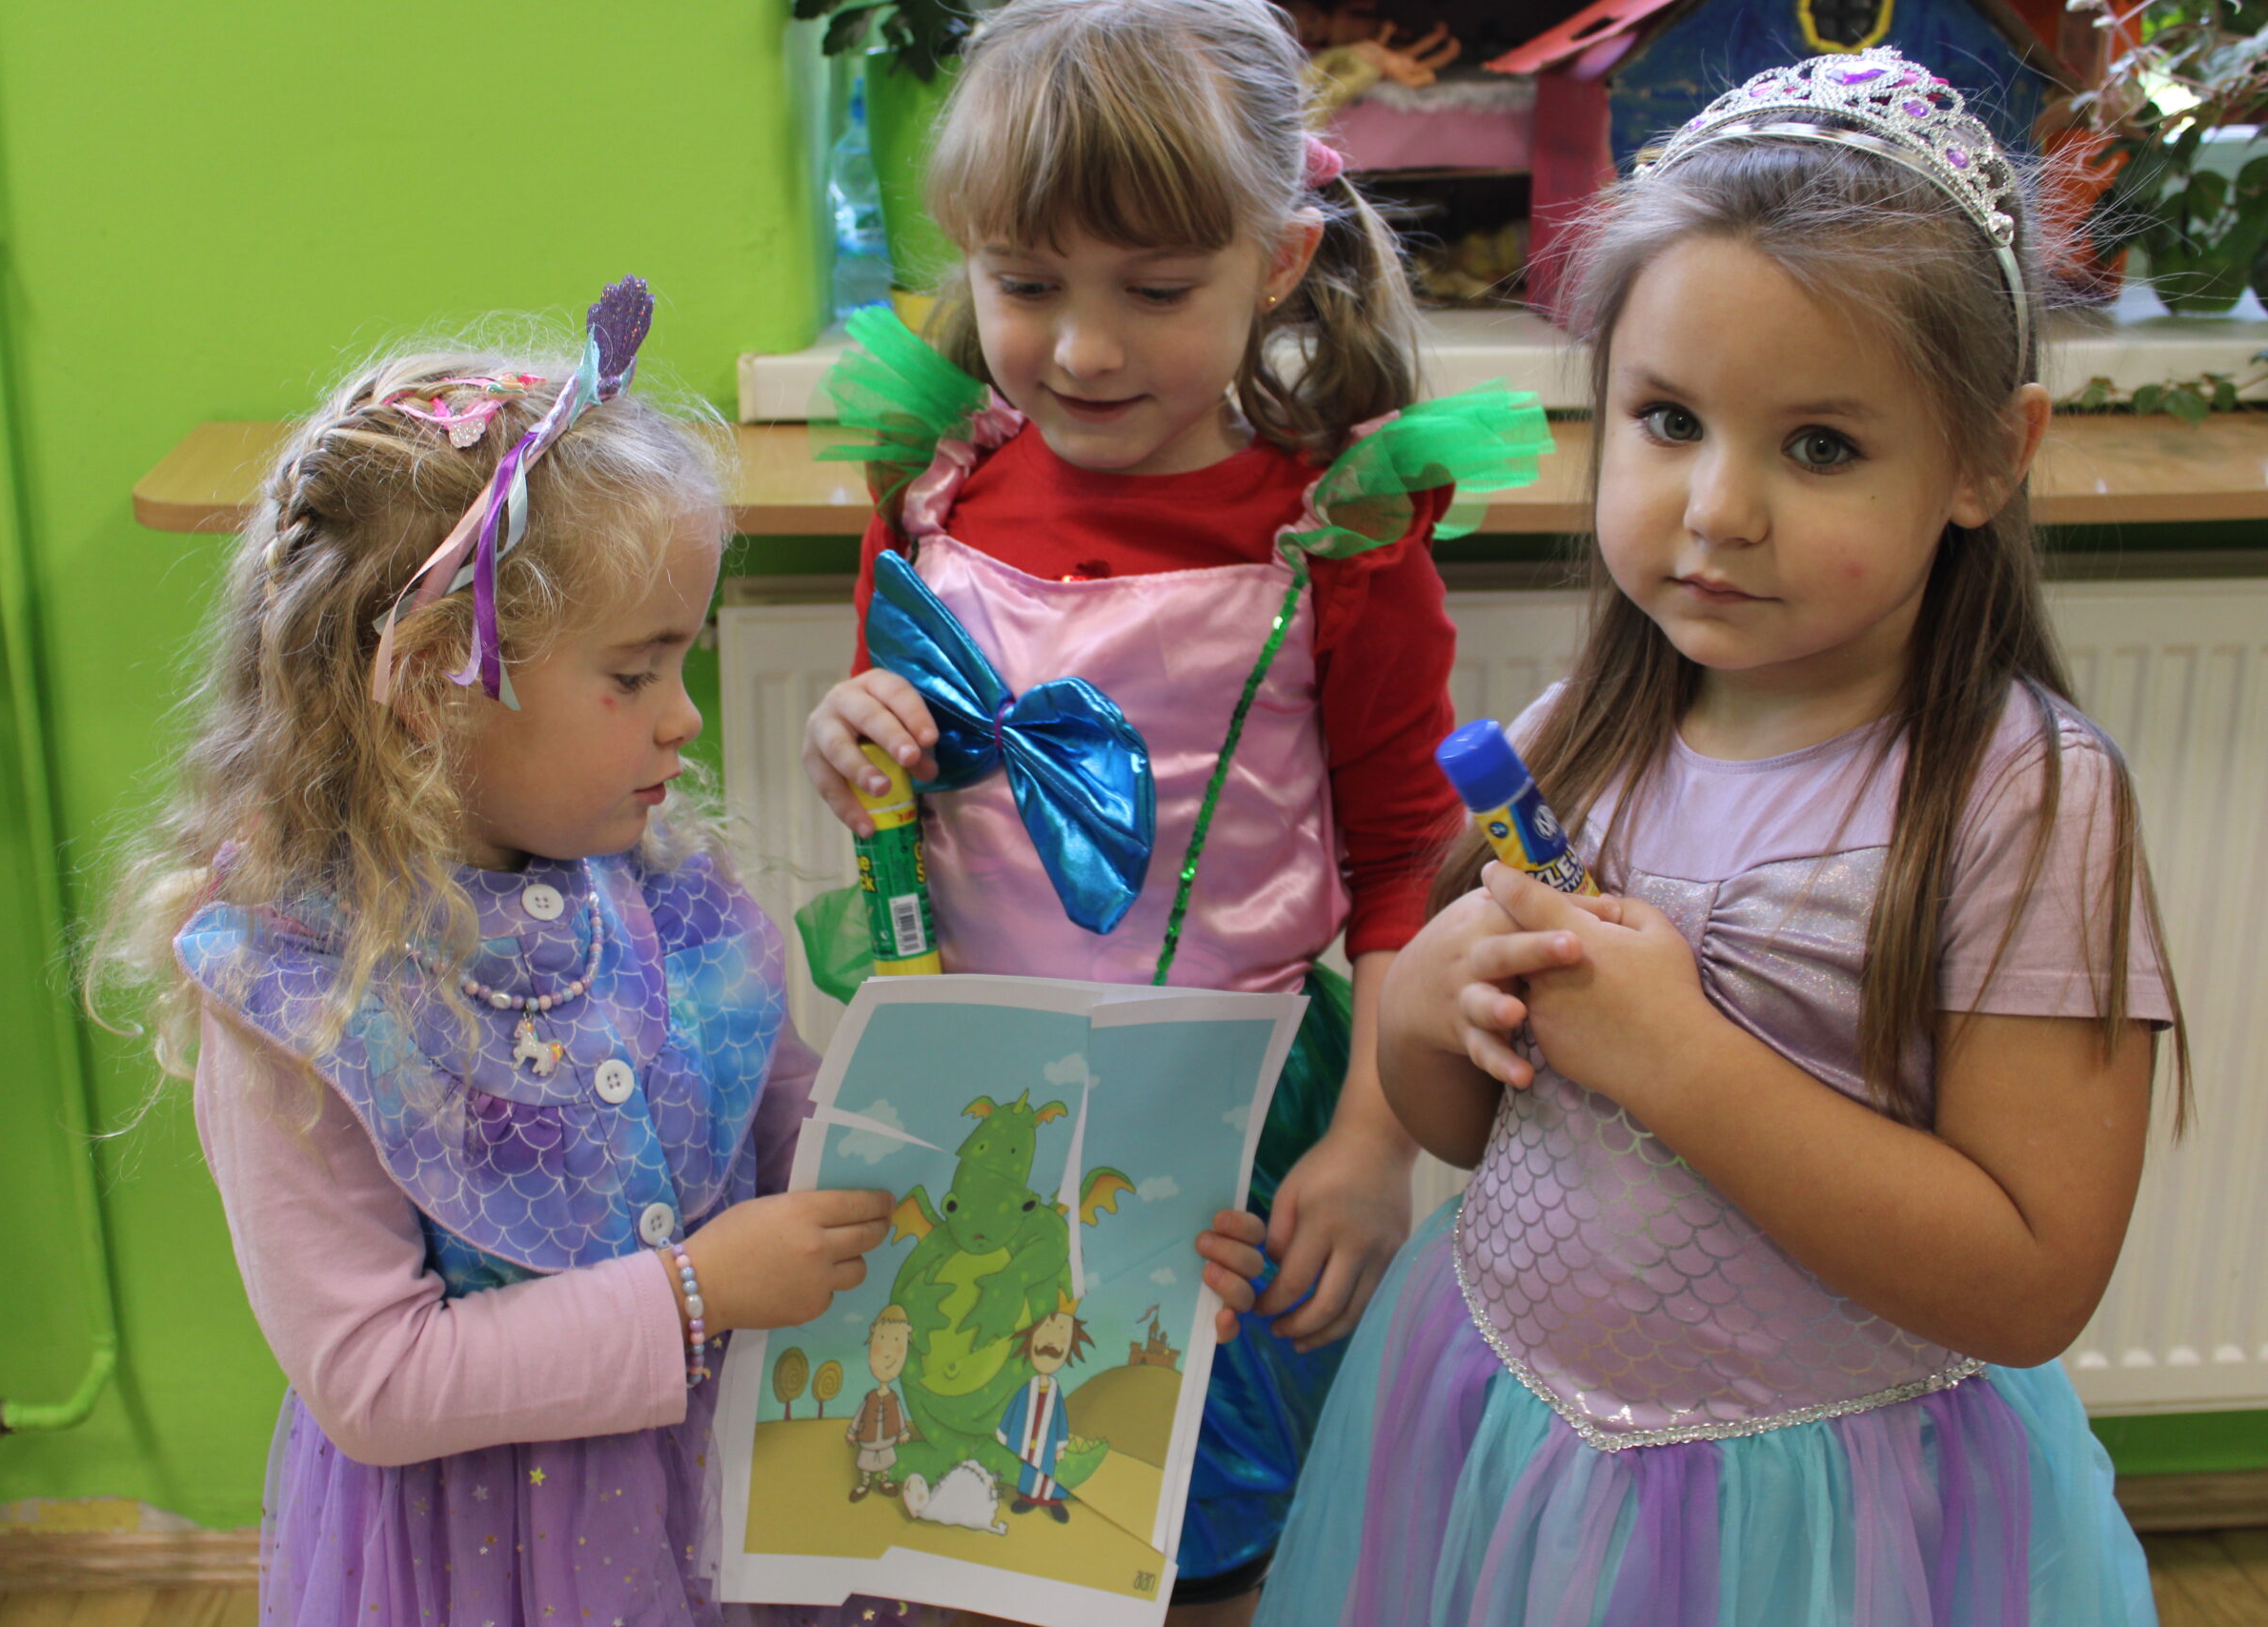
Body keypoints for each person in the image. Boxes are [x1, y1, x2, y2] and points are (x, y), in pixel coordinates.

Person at [1254, 51, 2190, 1626]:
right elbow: (1473, 1125)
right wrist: (1428, 1004)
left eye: (1819, 445)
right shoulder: (1569, 739)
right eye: (1670, 420)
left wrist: (1677, 1058)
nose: (1717, 508)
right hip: (1506, 1454)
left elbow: (2031, 1279)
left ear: (1988, 454)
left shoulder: (2026, 796)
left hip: (1829, 1528)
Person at [798, 3, 1550, 1613]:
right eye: (1026, 284)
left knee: (1206, 1543)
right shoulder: (930, 494)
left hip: (1229, 1141)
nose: (1082, 349)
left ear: (1277, 260)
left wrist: (1373, 1143)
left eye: (1152, 291)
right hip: (971, 1128)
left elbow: (1407, 868)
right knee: (963, 1514)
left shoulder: (1330, 534)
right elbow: (895, 788)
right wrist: (854, 742)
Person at [91, 279, 898, 1626]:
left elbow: (804, 1135)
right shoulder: (294, 993)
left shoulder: (667, 894)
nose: (684, 719)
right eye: (632, 675)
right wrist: (694, 1294)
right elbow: (375, 1380)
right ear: (431, 683)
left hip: (728, 1505)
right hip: (483, 1567)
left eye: (682, 664)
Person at [996, 1300, 1092, 1523]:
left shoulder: (1055, 1392)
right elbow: (1012, 1411)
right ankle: (1029, 1498)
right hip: (1028, 1442)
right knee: (1029, 1471)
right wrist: (1007, 1434)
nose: (1051, 1343)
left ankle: (1053, 1501)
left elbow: (1060, 1420)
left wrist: (1060, 1445)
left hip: (1047, 1446)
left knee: (1049, 1472)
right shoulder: (1026, 1389)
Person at [850, 1305, 917, 1501]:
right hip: (869, 1436)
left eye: (896, 1341)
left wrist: (903, 1432)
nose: (887, 1354)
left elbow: (900, 1415)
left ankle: (885, 1481)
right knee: (866, 1461)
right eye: (882, 1339)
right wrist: (852, 1431)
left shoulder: (893, 1397)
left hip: (887, 1438)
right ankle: (864, 1483)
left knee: (886, 1460)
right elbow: (860, 1414)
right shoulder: (870, 1397)